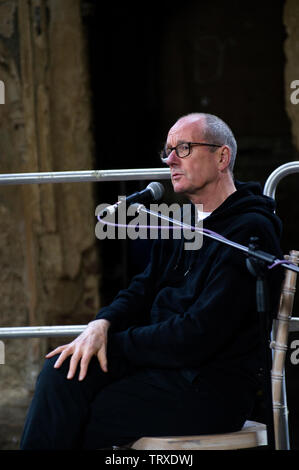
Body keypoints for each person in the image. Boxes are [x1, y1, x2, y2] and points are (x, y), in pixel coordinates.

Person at [20, 113, 284, 450]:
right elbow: (140, 290)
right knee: (63, 370)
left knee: (83, 415)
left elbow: (198, 334)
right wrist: (102, 324)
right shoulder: (182, 224)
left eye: (184, 148)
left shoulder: (250, 230)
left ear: (222, 157)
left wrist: (116, 345)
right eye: (167, 150)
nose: (170, 159)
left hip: (208, 388)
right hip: (159, 370)